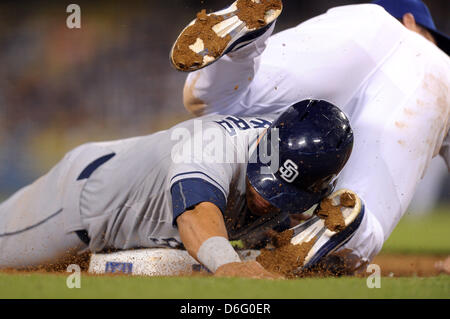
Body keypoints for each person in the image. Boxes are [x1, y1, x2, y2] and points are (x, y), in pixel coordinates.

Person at [172, 0, 450, 271]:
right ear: (411, 21)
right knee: (362, 221)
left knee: (215, 103)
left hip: (360, 31)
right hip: (429, 79)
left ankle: (245, 46)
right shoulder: (437, 59)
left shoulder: (365, 16)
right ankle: (336, 231)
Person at [0, 99, 361, 278]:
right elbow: (196, 215)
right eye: (268, 181)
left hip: (133, 234)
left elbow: (267, 240)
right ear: (264, 141)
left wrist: (315, 262)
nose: (269, 199)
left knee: (81, 271)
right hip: (78, 204)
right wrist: (230, 269)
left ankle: (96, 264)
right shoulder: (211, 146)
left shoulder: (287, 154)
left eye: (286, 193)